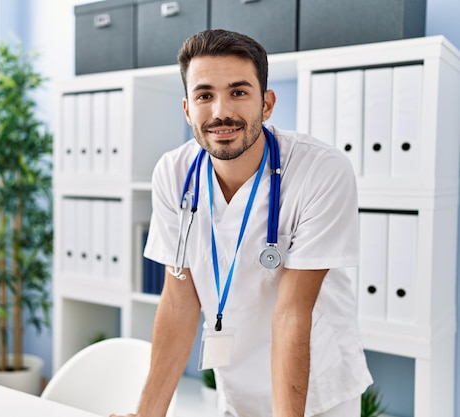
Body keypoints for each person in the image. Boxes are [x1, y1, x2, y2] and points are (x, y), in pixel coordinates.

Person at [111, 29, 372, 417]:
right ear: (187, 109)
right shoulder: (173, 173)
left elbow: (291, 313)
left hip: (317, 391)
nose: (220, 112)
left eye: (238, 92)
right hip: (236, 388)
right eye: (204, 95)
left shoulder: (320, 171)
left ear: (266, 104)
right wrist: (147, 413)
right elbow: (180, 300)